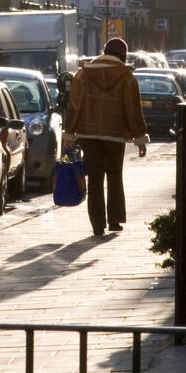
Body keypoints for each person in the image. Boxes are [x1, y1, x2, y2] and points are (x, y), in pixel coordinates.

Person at [62, 37, 149, 237]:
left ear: (104, 51)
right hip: (116, 135)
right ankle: (115, 220)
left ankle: (97, 224)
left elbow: (74, 106)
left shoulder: (83, 75)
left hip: (87, 133)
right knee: (114, 175)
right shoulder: (127, 78)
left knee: (94, 178)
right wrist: (139, 138)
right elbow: (133, 110)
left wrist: (69, 132)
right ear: (123, 55)